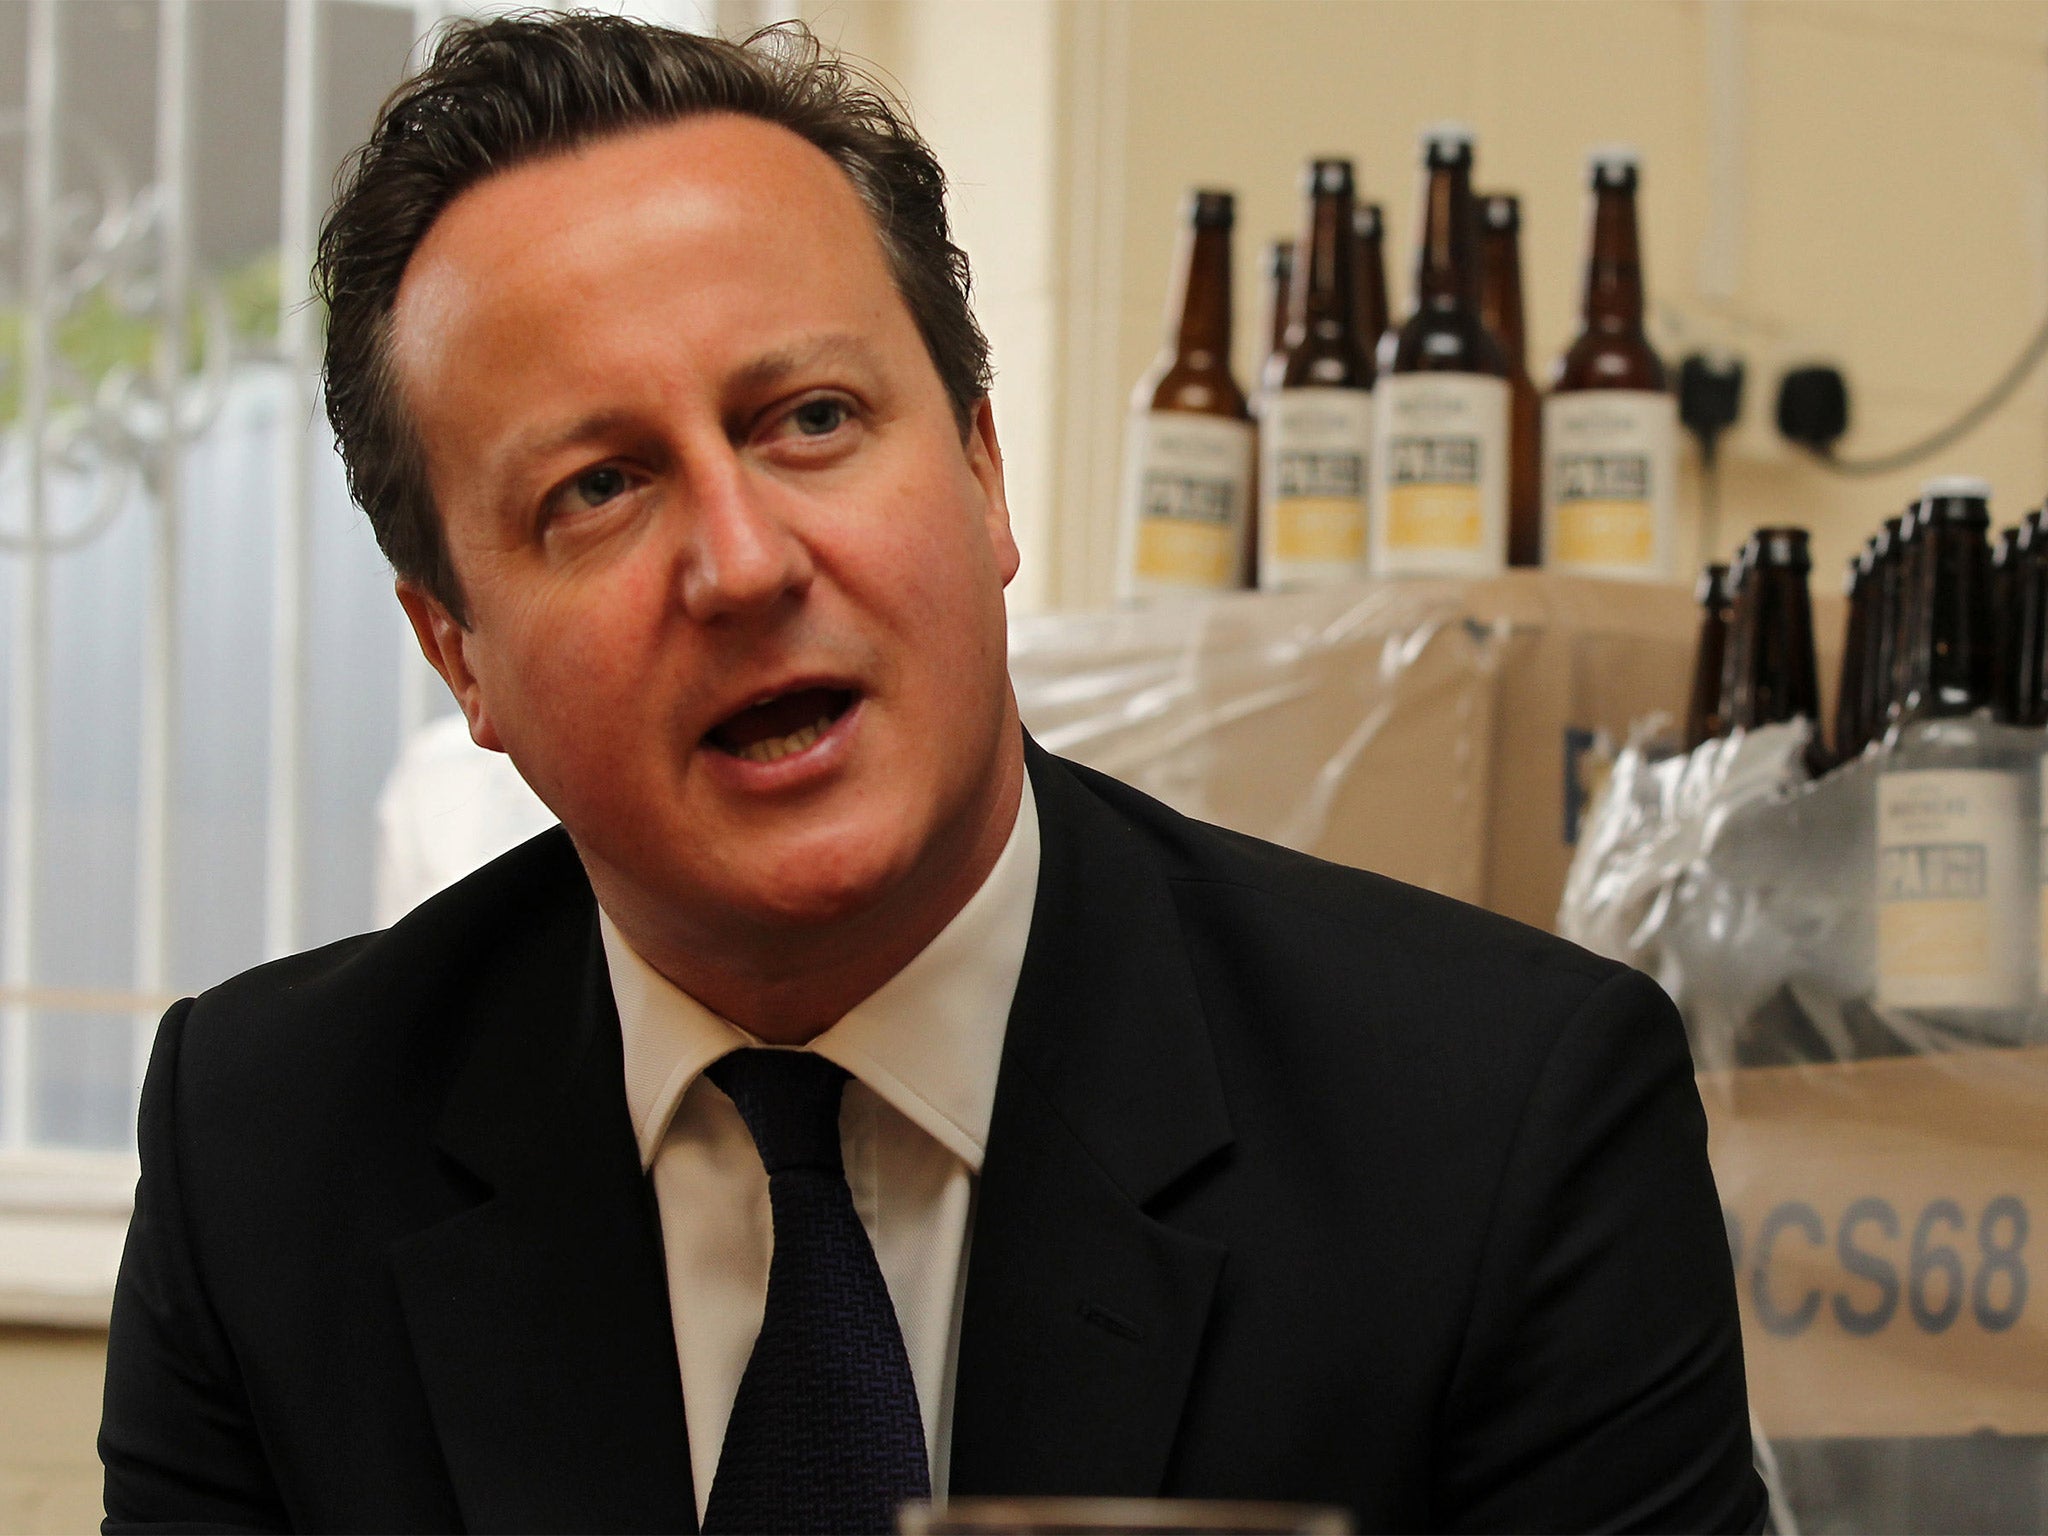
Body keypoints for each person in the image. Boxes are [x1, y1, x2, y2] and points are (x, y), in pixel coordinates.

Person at [100, 14, 1765, 1534]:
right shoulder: (265, 1159)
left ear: (982, 476)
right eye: (599, 487)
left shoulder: (1496, 1130)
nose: (742, 562)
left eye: (811, 417)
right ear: (458, 649)